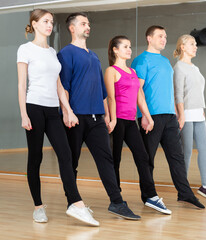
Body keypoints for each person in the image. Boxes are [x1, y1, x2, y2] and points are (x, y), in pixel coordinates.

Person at [17, 9, 99, 226]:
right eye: (45, 21)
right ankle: (38, 207)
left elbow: (59, 85)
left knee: (66, 156)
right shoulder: (25, 49)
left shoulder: (53, 52)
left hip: (53, 110)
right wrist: (23, 113)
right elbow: (21, 84)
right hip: (34, 108)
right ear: (34, 24)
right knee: (36, 159)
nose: (49, 25)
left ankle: (75, 202)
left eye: (51, 22)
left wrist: (68, 110)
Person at [57, 12, 140, 220]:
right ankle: (73, 202)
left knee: (106, 160)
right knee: (71, 162)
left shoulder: (94, 55)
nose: (88, 27)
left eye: (88, 23)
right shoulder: (66, 53)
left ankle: (117, 202)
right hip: (75, 118)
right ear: (72, 28)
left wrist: (107, 115)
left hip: (96, 118)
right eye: (83, 23)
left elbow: (103, 91)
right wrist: (67, 112)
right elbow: (63, 87)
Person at [131, 25, 205, 208]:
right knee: (148, 159)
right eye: (159, 36)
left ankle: (185, 193)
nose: (164, 39)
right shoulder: (141, 60)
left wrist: (177, 114)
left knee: (177, 157)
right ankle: (149, 196)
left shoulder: (165, 61)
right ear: (149, 38)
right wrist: (146, 116)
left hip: (170, 116)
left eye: (165, 36)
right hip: (151, 117)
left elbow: (170, 90)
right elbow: (138, 90)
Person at [104, 35, 171, 214]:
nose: (129, 50)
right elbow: (110, 97)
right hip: (117, 121)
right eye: (125, 47)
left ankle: (151, 196)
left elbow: (140, 96)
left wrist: (149, 117)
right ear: (115, 50)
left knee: (143, 157)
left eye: (130, 47)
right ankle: (116, 199)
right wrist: (112, 119)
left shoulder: (133, 72)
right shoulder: (111, 71)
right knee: (115, 160)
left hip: (131, 122)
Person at [173, 34, 206, 204]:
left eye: (196, 44)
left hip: (199, 113)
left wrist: (202, 110)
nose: (196, 47)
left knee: (205, 147)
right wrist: (181, 114)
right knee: (186, 152)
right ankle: (183, 191)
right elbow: (178, 94)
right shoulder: (179, 67)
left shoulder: (195, 68)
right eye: (192, 44)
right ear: (183, 47)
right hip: (186, 113)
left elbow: (198, 91)